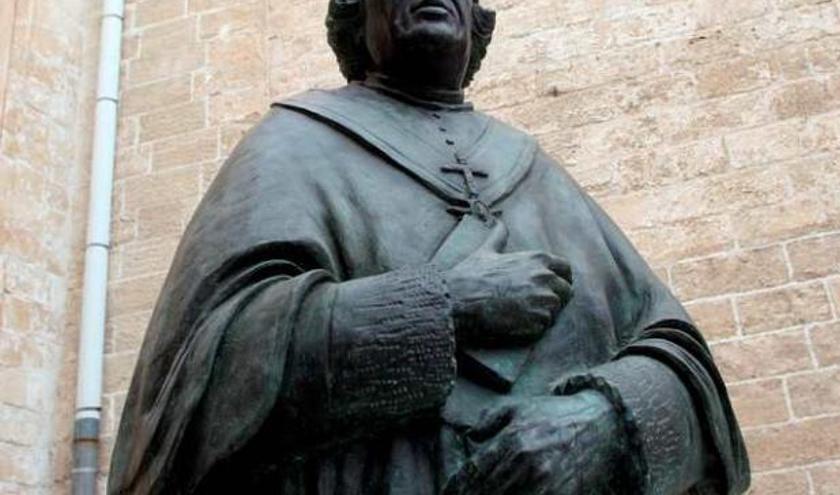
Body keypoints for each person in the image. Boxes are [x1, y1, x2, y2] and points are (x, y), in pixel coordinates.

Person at [109, 0, 750, 493]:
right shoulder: (292, 145)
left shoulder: (537, 171)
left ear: (477, 18)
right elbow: (200, 378)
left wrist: (605, 423)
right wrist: (443, 306)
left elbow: (679, 357)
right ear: (359, 14)